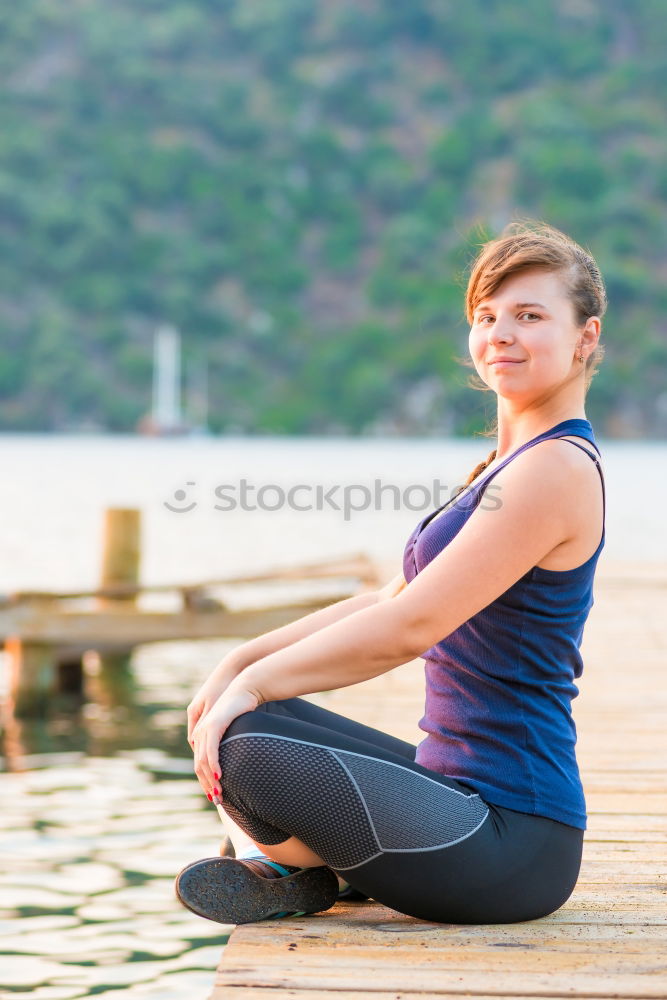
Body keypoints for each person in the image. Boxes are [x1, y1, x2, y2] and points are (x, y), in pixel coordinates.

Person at [175, 220, 607, 926]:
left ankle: (296, 866)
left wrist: (249, 685)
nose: (500, 333)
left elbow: (408, 627)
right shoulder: (508, 467)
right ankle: (309, 870)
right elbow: (390, 596)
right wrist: (240, 664)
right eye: (486, 315)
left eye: (529, 316)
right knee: (241, 715)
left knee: (245, 748)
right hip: (454, 797)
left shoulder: (555, 469)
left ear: (584, 337)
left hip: (510, 844)